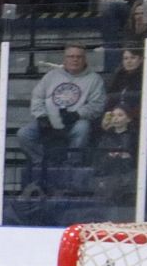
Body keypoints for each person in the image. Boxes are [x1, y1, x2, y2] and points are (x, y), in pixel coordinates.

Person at [16, 45, 107, 192]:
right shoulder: (51, 76)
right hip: (48, 120)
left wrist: (77, 114)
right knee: (24, 134)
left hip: (75, 121)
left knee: (83, 128)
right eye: (71, 56)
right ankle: (44, 164)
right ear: (64, 59)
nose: (75, 60)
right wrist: (42, 116)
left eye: (79, 57)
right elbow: (37, 97)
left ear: (85, 59)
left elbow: (97, 105)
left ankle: (71, 165)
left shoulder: (94, 79)